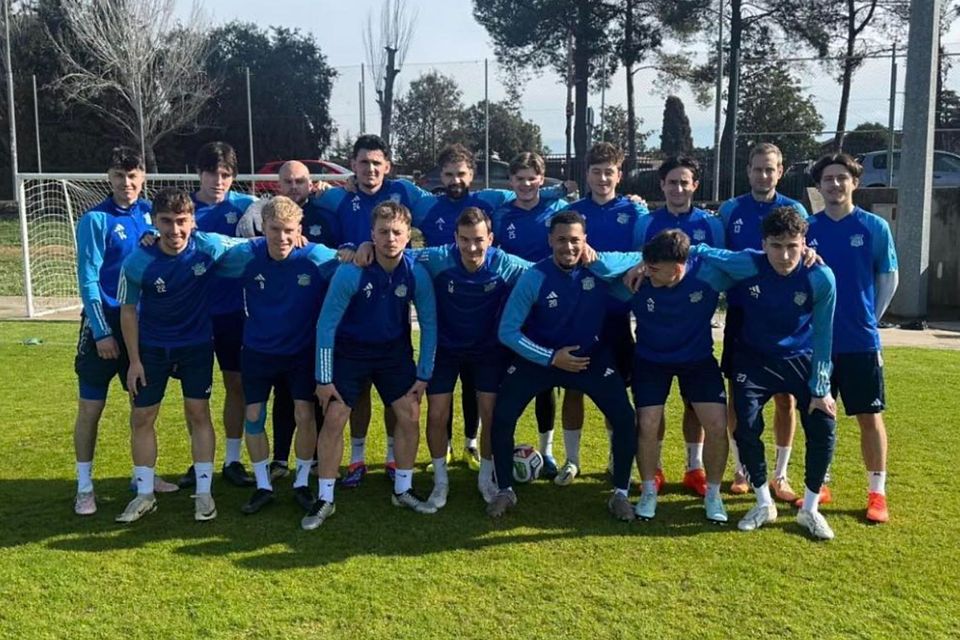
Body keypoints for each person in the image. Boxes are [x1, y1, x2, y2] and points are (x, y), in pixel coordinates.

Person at [409, 144, 573, 471]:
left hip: (519, 302)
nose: (456, 179)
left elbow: (555, 205)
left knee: (536, 382)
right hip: (457, 317)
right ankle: (462, 447)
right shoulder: (429, 208)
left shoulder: (489, 201)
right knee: (459, 391)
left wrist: (561, 189)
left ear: (473, 175)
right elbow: (399, 233)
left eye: (462, 173)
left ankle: (542, 451)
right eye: (449, 174)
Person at [690, 207, 839, 540]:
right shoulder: (749, 262)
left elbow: (824, 335)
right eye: (776, 246)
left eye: (792, 246)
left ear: (805, 244)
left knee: (824, 424)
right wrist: (683, 251)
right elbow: (706, 253)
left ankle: (810, 509)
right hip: (753, 358)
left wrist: (821, 387)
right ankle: (762, 502)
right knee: (746, 427)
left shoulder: (821, 276)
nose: (785, 255)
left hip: (799, 357)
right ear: (764, 244)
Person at [486, 211, 639, 521]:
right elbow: (507, 331)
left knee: (624, 417)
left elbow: (641, 257)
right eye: (561, 240)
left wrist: (598, 263)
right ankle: (505, 490)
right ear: (549, 241)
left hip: (589, 359)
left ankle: (620, 494)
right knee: (502, 416)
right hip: (541, 359)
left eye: (575, 240)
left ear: (585, 241)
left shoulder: (598, 269)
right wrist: (550, 357)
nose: (568, 247)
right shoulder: (534, 277)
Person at [115, 188, 246, 523]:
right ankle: (144, 494)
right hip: (152, 349)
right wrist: (134, 361)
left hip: (197, 346)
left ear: (193, 221)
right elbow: (128, 311)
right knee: (142, 418)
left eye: (182, 222)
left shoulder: (209, 246)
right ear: (155, 223)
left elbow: (255, 248)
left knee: (198, 413)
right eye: (167, 222)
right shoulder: (137, 261)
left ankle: (203, 494)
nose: (175, 230)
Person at [311, 134, 433, 488]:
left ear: (388, 166)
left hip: (390, 329)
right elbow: (305, 200)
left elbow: (447, 208)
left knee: (401, 402)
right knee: (356, 397)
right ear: (353, 165)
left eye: (376, 163)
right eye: (363, 163)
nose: (370, 169)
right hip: (352, 308)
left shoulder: (404, 193)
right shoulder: (338, 195)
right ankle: (357, 458)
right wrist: (349, 247)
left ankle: (395, 460)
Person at [307, 201, 438, 530]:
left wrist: (424, 375)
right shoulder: (352, 271)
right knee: (335, 417)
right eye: (383, 232)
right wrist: (324, 379)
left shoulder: (416, 273)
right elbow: (326, 326)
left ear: (409, 236)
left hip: (394, 354)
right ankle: (325, 497)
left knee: (409, 415)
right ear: (372, 235)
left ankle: (403, 490)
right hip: (350, 354)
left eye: (397, 232)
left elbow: (431, 325)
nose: (390, 238)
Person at [216, 196, 339, 515]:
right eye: (274, 230)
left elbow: (350, 259)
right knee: (254, 416)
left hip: (300, 352)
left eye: (288, 230)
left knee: (304, 414)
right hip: (257, 351)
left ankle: (300, 482)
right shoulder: (247, 255)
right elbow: (205, 247)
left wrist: (357, 248)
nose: (282, 237)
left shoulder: (315, 256)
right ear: (263, 229)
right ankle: (262, 486)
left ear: (299, 229)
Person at [595, 229, 730, 522]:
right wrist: (636, 265)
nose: (650, 273)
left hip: (697, 360)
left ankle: (713, 494)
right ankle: (647, 491)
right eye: (649, 265)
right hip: (650, 360)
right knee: (647, 422)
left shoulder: (708, 276)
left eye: (656, 269)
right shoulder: (638, 280)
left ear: (679, 266)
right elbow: (598, 268)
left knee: (718, 423)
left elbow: (751, 263)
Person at [72, 146, 177, 515]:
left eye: (133, 176)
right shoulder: (95, 220)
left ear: (143, 176)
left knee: (143, 406)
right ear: (109, 178)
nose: (126, 183)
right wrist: (101, 332)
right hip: (105, 322)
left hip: (142, 326)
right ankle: (84, 486)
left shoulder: (153, 215)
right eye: (119, 176)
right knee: (91, 407)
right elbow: (87, 278)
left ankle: (142, 476)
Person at [806, 152, 898, 524]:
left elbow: (888, 279)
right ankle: (819, 483)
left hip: (860, 341)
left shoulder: (874, 227)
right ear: (820, 185)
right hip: (818, 343)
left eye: (841, 178)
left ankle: (877, 493)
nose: (834, 184)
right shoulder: (807, 227)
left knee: (869, 416)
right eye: (828, 179)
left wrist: (868, 320)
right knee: (818, 416)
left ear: (854, 183)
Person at [718, 142, 810, 500]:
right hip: (743, 314)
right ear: (748, 171)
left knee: (786, 398)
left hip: (787, 315)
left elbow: (807, 254)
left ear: (781, 171)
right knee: (738, 397)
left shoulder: (795, 209)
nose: (763, 175)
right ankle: (742, 468)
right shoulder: (731, 210)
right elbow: (721, 257)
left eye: (770, 169)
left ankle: (781, 474)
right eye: (758, 169)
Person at [634, 155, 725, 496]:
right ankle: (653, 469)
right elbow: (636, 266)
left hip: (694, 329)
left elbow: (721, 264)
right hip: (654, 331)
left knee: (694, 406)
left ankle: (694, 466)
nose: (678, 188)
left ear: (695, 185)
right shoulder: (645, 223)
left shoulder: (711, 224)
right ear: (662, 185)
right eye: (672, 182)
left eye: (685, 182)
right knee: (651, 411)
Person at [559, 141, 648, 486]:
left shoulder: (635, 211)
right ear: (587, 174)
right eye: (595, 171)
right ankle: (572, 460)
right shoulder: (572, 211)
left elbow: (641, 257)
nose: (602, 178)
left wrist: (602, 260)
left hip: (618, 314)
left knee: (617, 391)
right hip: (579, 313)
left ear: (619, 174)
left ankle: (615, 456)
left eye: (608, 172)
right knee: (573, 388)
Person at [488, 151, 573, 478]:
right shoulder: (500, 213)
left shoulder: (557, 210)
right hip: (505, 304)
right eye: (519, 178)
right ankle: (491, 451)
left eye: (532, 178)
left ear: (541, 179)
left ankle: (548, 451)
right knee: (498, 380)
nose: (525, 184)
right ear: (511, 181)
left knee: (544, 381)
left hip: (545, 306)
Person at [185, 141, 257, 489]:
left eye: (226, 174)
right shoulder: (184, 210)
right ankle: (197, 461)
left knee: (236, 385)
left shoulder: (247, 207)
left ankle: (232, 459)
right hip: (194, 315)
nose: (218, 180)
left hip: (234, 313)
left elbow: (285, 210)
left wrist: (320, 188)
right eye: (212, 173)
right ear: (198, 173)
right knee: (195, 392)